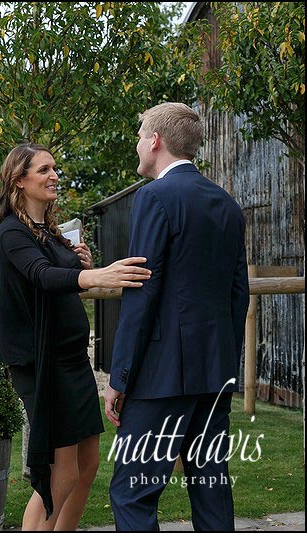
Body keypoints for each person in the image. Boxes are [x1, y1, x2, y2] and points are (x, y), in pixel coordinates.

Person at [0, 143, 152, 530]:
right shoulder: (11, 232)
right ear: (19, 180)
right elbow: (42, 276)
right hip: (43, 362)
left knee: (87, 462)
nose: (54, 176)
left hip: (72, 359)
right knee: (60, 471)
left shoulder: (49, 231)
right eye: (44, 170)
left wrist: (82, 266)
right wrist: (97, 275)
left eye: (55, 168)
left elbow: (60, 279)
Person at [105, 102, 249, 530]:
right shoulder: (227, 204)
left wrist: (120, 377)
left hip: (161, 377)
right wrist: (225, 363)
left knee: (132, 493)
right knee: (211, 490)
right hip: (214, 373)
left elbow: (142, 293)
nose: (137, 145)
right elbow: (238, 296)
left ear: (155, 141)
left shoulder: (153, 197)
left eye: (139, 137)